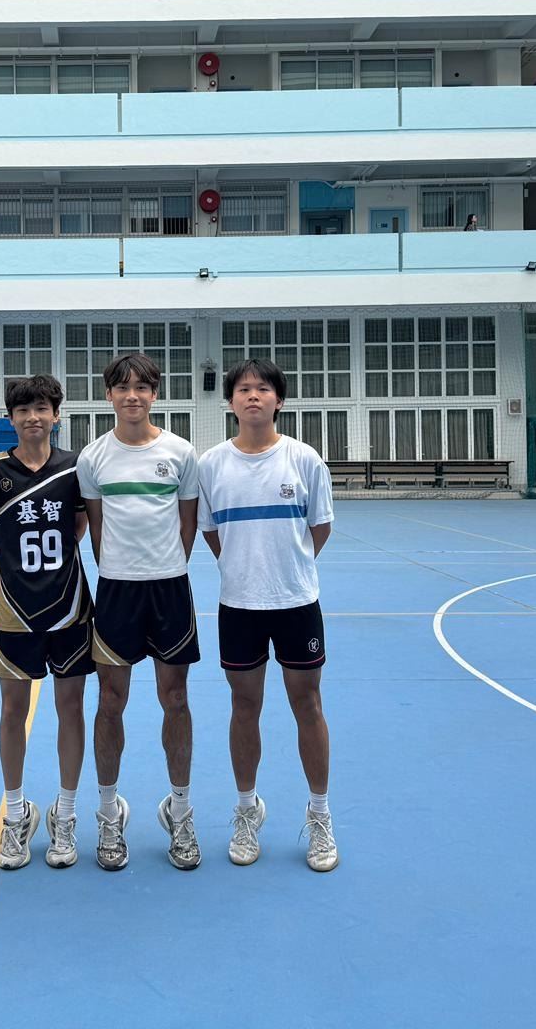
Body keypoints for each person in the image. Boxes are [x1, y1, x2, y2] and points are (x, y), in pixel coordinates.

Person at [198, 359, 338, 873]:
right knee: (244, 706)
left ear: (279, 399)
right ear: (230, 402)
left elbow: (319, 528)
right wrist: (246, 571)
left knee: (308, 704)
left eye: (262, 388)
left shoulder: (304, 459)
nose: (252, 396)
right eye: (243, 389)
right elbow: (211, 533)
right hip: (239, 606)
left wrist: (288, 570)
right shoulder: (212, 464)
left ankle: (319, 814)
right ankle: (246, 810)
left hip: (297, 603)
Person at [0, 375, 94, 871]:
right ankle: (16, 813)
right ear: (11, 418)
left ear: (56, 415)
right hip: (15, 613)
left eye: (41, 408)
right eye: (23, 410)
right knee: (12, 710)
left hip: (69, 608)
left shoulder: (75, 467)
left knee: (70, 707)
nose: (32, 417)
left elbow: (79, 525)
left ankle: (66, 812)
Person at [77, 352, 201, 872]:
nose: (133, 396)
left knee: (175, 699)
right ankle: (109, 812)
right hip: (117, 594)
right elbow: (97, 529)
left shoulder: (181, 452)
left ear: (155, 393)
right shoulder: (93, 458)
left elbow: (188, 525)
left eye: (142, 387)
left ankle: (180, 811)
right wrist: (122, 569)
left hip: (169, 591)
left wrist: (163, 565)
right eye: (123, 387)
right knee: (111, 701)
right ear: (109, 395)